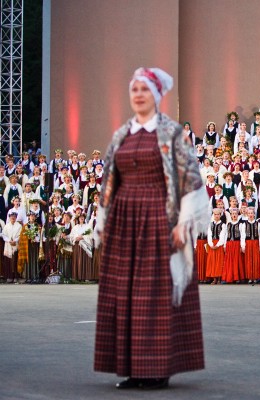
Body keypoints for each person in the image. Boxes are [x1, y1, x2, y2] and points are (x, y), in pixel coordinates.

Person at [94, 67, 209, 389]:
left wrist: (184, 221)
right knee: (126, 293)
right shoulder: (122, 135)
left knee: (154, 294)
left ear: (156, 95)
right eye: (134, 89)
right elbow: (108, 182)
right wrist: (103, 220)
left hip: (159, 217)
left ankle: (158, 368)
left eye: (144, 89)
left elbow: (190, 178)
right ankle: (131, 367)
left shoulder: (171, 132)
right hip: (124, 220)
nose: (138, 94)